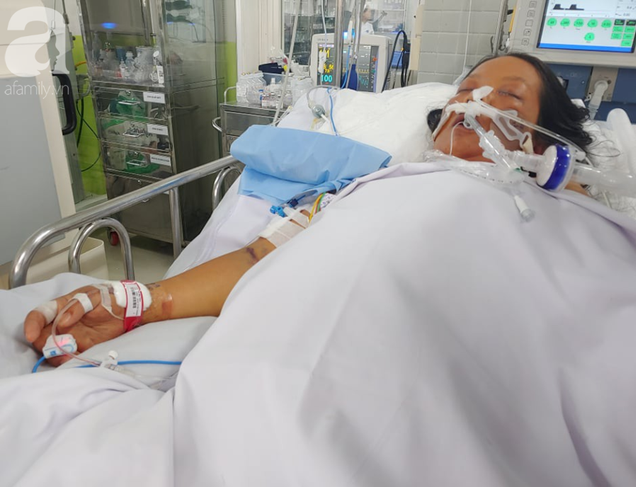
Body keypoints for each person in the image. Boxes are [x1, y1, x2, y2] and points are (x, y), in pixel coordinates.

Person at [23, 52, 594, 364]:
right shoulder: (372, 186)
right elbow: (255, 257)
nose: (474, 103)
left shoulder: (556, 210)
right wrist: (137, 303)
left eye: (508, 96)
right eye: (464, 92)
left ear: (545, 140)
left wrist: (565, 187)